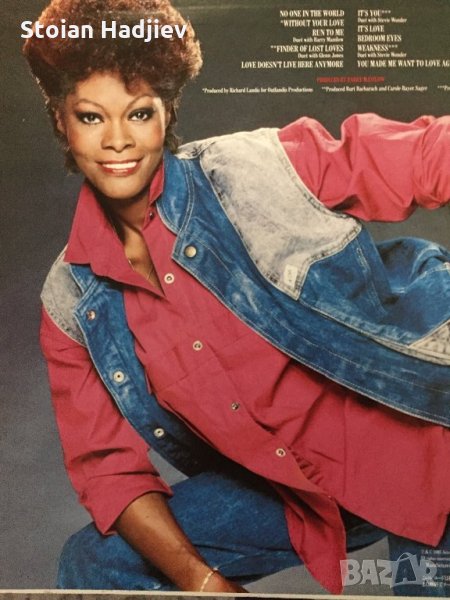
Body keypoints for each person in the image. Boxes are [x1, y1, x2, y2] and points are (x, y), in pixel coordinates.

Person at [23, 0, 450, 595]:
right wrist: (202, 582)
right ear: (61, 122)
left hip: (428, 433)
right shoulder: (71, 301)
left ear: (166, 112)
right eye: (91, 117)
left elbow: (422, 154)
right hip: (301, 488)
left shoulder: (249, 171)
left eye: (139, 113)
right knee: (98, 561)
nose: (118, 141)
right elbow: (108, 472)